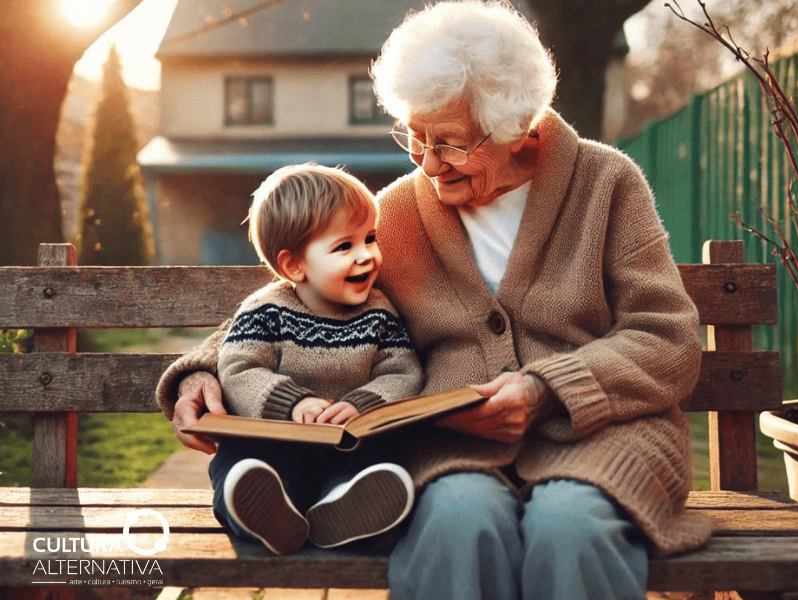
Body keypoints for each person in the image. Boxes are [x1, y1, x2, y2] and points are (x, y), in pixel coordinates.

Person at [156, 1, 713, 598]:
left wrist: (550, 388)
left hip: (603, 438)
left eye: (448, 142)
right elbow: (297, 292)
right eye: (414, 136)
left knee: (569, 529)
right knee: (456, 525)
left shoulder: (606, 184)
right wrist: (203, 369)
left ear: (516, 126)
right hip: (455, 448)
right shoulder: (397, 212)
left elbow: (667, 337)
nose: (426, 162)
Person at [197, 163, 423, 555]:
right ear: (292, 265)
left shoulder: (379, 312)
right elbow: (239, 369)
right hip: (273, 444)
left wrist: (362, 404)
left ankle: (346, 510)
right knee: (242, 465)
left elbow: (402, 371)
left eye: (370, 239)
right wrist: (293, 402)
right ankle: (260, 512)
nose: (366, 256)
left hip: (346, 445)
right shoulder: (266, 310)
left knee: (364, 466)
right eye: (344, 247)